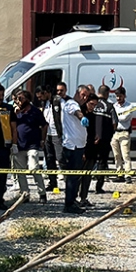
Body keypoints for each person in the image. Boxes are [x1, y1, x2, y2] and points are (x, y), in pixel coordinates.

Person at [13, 90, 48, 204]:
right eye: (17, 98)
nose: (18, 101)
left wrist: (42, 139)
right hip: (19, 144)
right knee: (20, 171)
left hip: (33, 144)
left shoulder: (35, 111)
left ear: (27, 99)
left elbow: (44, 125)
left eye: (21, 98)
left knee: (34, 168)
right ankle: (25, 194)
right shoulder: (15, 112)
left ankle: (42, 193)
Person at [61, 85, 90, 214]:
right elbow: (76, 112)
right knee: (72, 177)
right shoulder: (71, 104)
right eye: (83, 95)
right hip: (72, 147)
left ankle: (72, 200)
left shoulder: (77, 105)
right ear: (77, 93)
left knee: (76, 176)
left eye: (87, 96)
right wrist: (82, 117)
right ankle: (69, 204)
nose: (85, 98)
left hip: (78, 146)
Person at [93, 85, 118, 193]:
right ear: (107, 94)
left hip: (91, 139)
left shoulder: (92, 104)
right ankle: (99, 187)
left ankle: (82, 188)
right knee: (102, 162)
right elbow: (115, 123)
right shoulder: (110, 106)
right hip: (105, 139)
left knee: (89, 162)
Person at [36, 86, 61, 191]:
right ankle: (52, 182)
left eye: (41, 96)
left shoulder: (57, 101)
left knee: (61, 158)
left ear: (46, 92)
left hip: (57, 134)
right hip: (47, 134)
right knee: (49, 159)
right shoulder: (43, 104)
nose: (39, 99)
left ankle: (69, 180)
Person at [78, 93, 100, 206]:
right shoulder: (80, 114)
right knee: (78, 175)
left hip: (91, 148)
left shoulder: (93, 115)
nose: (93, 107)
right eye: (91, 104)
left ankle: (83, 197)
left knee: (87, 176)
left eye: (95, 105)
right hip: (81, 148)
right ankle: (74, 199)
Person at [111, 87, 135, 183]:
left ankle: (128, 174)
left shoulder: (129, 106)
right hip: (115, 132)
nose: (118, 98)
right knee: (116, 155)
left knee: (125, 154)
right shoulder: (114, 106)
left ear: (124, 96)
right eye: (117, 96)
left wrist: (116, 115)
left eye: (120, 96)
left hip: (124, 132)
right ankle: (119, 173)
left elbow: (124, 118)